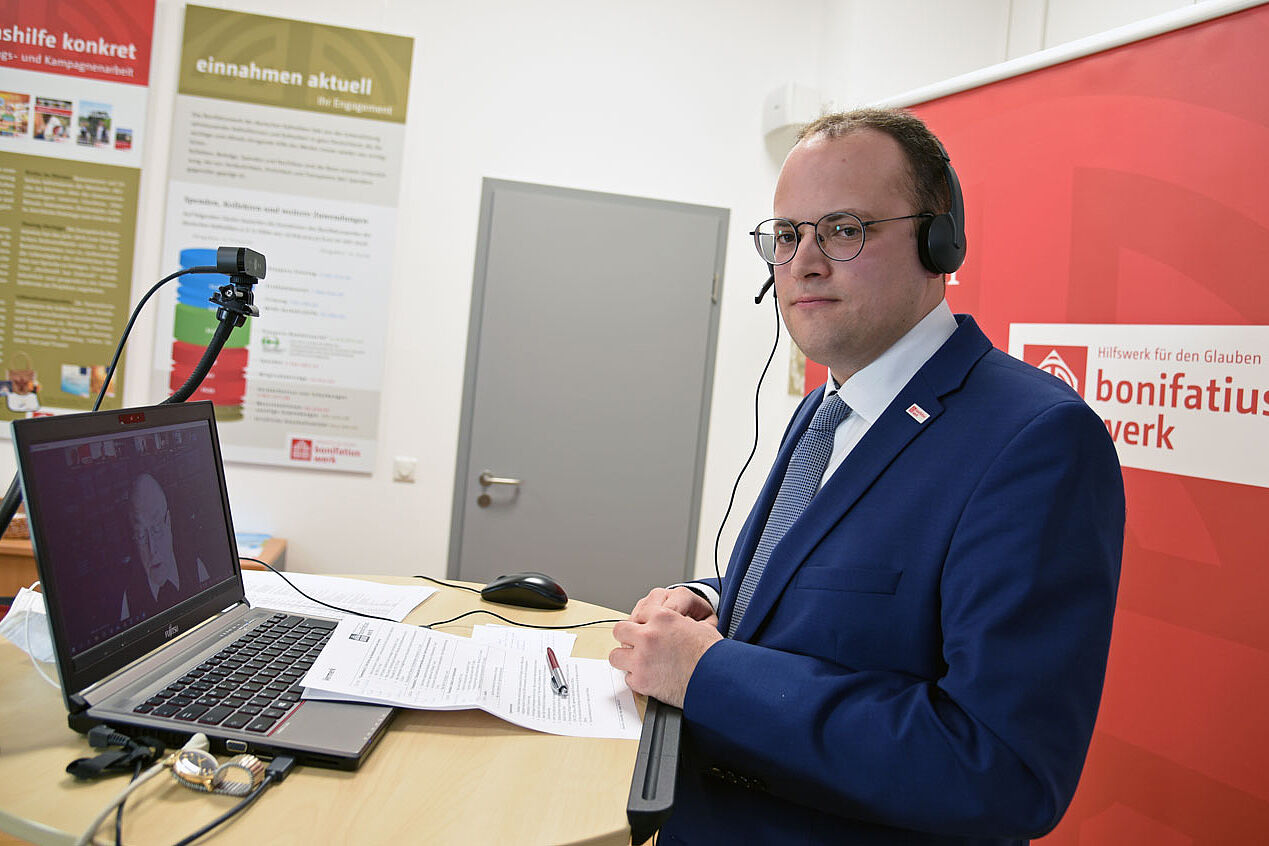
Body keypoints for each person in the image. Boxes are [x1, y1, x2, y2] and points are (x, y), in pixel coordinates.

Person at [608, 108, 1125, 845]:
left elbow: (1003, 771)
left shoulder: (1035, 440)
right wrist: (707, 601)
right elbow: (820, 602)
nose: (804, 262)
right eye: (786, 236)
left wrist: (708, 674)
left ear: (937, 240)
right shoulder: (825, 406)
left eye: (843, 229)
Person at [119, 472, 210, 620]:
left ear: (168, 524)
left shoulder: (197, 568)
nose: (152, 549)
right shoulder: (128, 600)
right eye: (141, 535)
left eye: (157, 530)